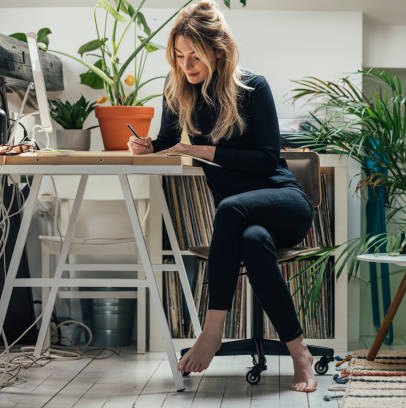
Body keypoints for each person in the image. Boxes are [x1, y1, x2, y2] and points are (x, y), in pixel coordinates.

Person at [127, 0, 318, 393]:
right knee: (250, 240)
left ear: (218, 50)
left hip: (283, 203)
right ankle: (301, 353)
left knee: (230, 209)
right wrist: (145, 146)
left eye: (194, 56)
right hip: (243, 224)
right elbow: (166, 143)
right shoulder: (176, 89)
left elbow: (267, 159)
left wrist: (202, 151)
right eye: (178, 57)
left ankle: (212, 331)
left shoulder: (253, 87)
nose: (186, 66)